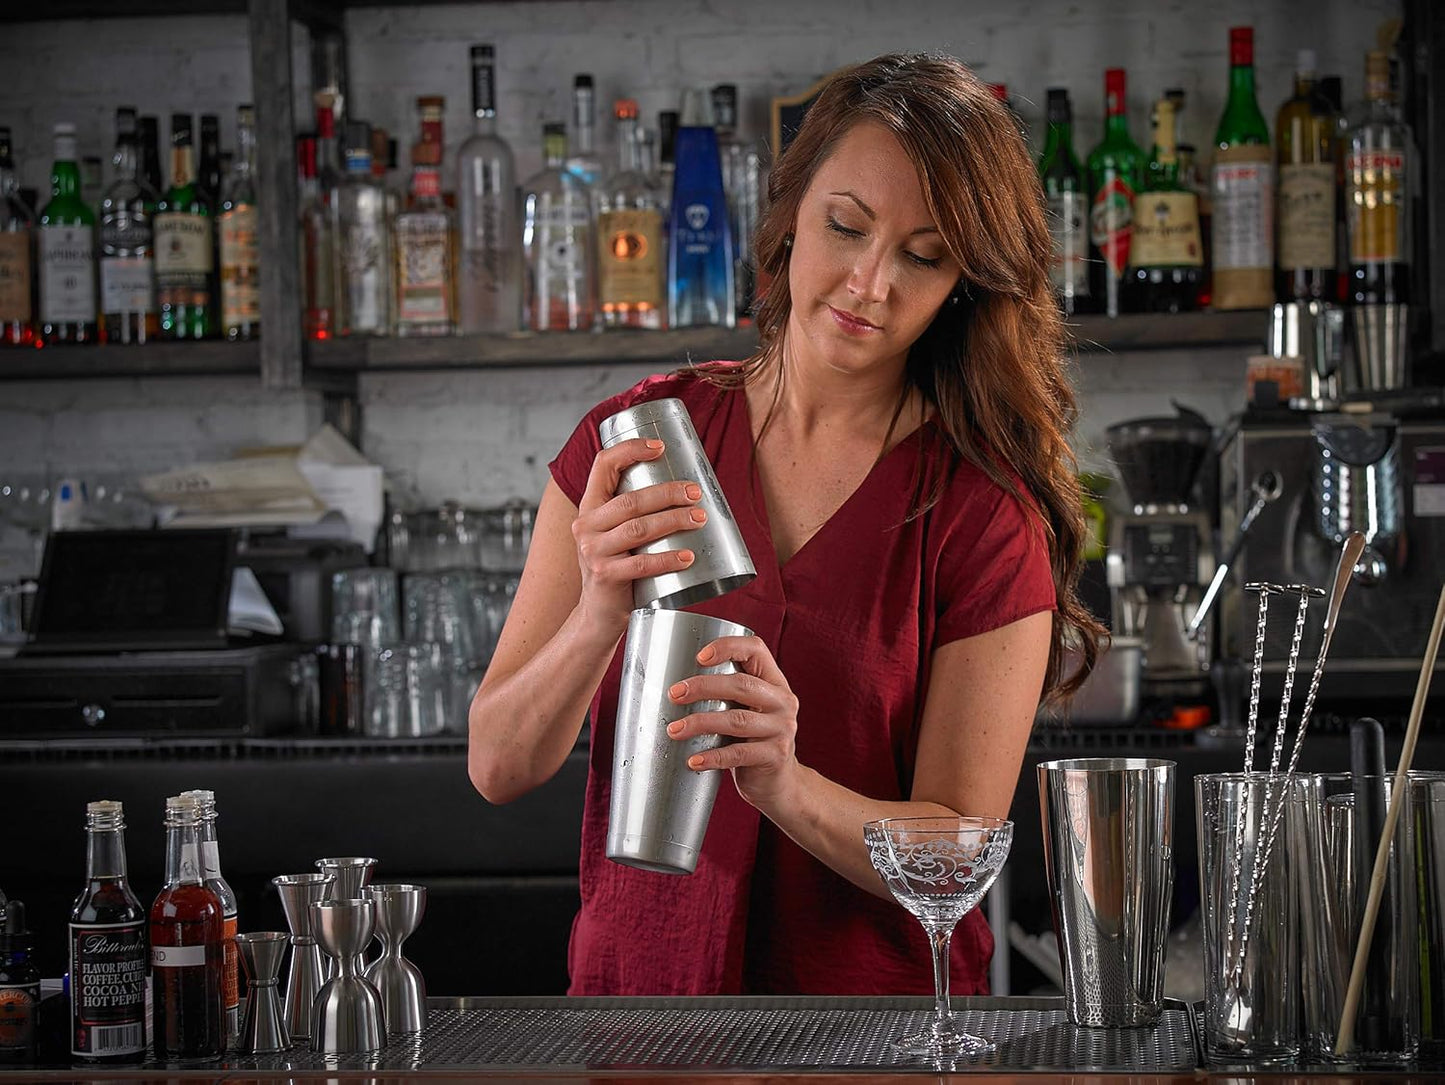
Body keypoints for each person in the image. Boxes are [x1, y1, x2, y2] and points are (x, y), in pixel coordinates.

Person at [468, 52, 1104, 997]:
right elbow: (499, 764)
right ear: (790, 215)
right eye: (845, 227)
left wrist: (786, 785)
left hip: (868, 1040)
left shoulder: (980, 512)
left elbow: (958, 857)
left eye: (923, 256)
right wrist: (603, 607)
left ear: (963, 285)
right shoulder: (641, 443)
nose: (869, 282)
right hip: (640, 1013)